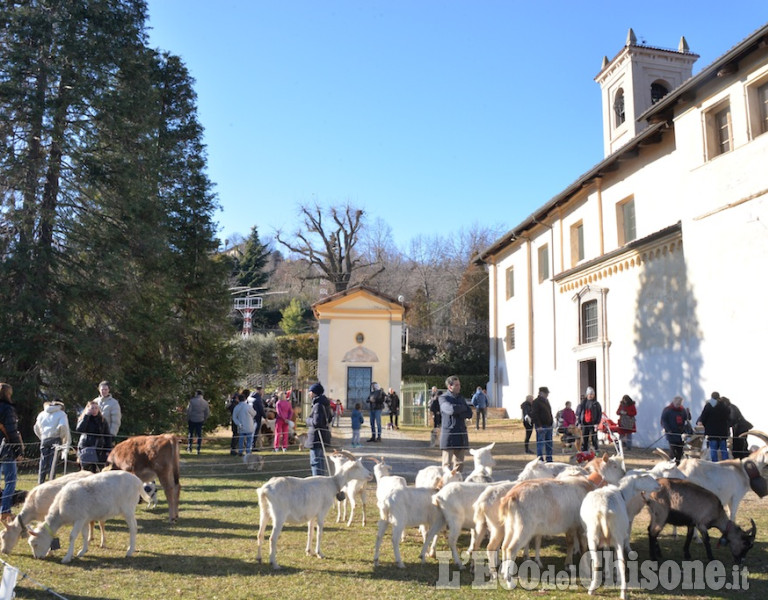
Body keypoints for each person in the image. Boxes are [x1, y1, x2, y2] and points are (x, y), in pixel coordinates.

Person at [439, 375, 473, 474]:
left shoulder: (461, 398)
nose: (459, 387)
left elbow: (469, 413)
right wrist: (462, 408)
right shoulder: (443, 398)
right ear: (450, 387)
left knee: (460, 464)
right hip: (449, 436)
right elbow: (450, 409)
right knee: (447, 465)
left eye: (459, 385)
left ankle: (457, 484)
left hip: (461, 434)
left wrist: (459, 409)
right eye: (456, 385)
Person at [0, 383, 24, 522]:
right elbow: (11, 432)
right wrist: (18, 451)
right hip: (6, 449)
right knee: (10, 481)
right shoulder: (8, 409)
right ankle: (5, 512)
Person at [33, 398, 71, 483]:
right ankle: (51, 482)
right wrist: (62, 438)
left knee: (43, 461)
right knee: (52, 463)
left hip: (45, 438)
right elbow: (63, 427)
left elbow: (36, 427)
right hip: (56, 438)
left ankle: (40, 482)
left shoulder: (42, 414)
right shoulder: (61, 414)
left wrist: (42, 436)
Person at [75, 401, 111, 473]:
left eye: (96, 408)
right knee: (86, 469)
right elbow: (79, 430)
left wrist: (108, 449)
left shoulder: (102, 420)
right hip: (86, 446)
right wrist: (86, 416)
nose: (94, 410)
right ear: (88, 409)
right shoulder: (84, 418)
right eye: (92, 408)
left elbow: (107, 435)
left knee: (99, 470)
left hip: (99, 447)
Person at [697, 391, 730, 462]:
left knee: (713, 449)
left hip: (712, 432)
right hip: (722, 432)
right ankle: (726, 462)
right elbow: (728, 416)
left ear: (711, 397)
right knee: (724, 449)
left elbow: (703, 417)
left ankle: (715, 463)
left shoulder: (708, 406)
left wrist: (706, 426)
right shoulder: (723, 406)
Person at [306, 382, 331, 475]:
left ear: (314, 393)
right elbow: (330, 418)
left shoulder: (318, 405)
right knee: (320, 460)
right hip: (322, 436)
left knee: (315, 461)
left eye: (310, 391)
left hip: (316, 437)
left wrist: (307, 420)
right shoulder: (325, 404)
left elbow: (316, 422)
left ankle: (316, 483)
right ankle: (322, 481)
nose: (309, 393)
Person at [660, 395, 691, 464]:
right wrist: (668, 429)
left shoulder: (682, 410)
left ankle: (678, 463)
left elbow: (686, 419)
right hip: (671, 433)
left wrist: (688, 413)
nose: (678, 405)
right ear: (674, 402)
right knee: (673, 450)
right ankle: (672, 464)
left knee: (680, 451)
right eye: (677, 403)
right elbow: (664, 420)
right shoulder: (667, 410)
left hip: (680, 434)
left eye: (679, 404)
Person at [530, 386, 554, 462]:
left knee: (549, 444)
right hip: (541, 426)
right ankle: (540, 459)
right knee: (540, 444)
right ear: (541, 393)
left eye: (547, 393)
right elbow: (535, 414)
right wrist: (539, 425)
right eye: (546, 393)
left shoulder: (547, 401)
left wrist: (551, 422)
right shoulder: (536, 402)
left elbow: (549, 412)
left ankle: (549, 459)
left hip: (548, 425)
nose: (547, 395)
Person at [576, 387, 602, 452]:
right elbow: (579, 413)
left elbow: (599, 414)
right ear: (587, 395)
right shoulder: (583, 403)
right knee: (585, 438)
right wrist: (579, 423)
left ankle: (596, 451)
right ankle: (584, 451)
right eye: (589, 394)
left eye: (592, 394)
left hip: (593, 424)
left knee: (594, 438)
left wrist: (597, 423)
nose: (590, 395)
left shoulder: (596, 404)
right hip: (584, 424)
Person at [232, 393, 256, 459]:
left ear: (238, 399)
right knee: (249, 440)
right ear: (245, 399)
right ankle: (248, 451)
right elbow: (254, 413)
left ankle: (240, 451)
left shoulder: (237, 407)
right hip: (249, 425)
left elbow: (234, 417)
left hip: (241, 426)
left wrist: (238, 423)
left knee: (241, 440)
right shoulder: (248, 407)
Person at [186, 389, 210, 455]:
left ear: (196, 394)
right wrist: (204, 418)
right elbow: (207, 412)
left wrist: (188, 418)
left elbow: (189, 411)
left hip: (192, 419)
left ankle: (189, 447)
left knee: (190, 434)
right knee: (199, 435)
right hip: (200, 420)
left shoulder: (192, 401)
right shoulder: (205, 402)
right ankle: (198, 449)